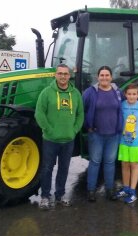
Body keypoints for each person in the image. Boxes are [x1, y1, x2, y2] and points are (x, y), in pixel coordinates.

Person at [35, 64, 84, 210]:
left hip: (68, 140)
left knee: (64, 168)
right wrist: (48, 130)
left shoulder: (75, 94)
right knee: (47, 168)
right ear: (55, 75)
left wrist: (74, 130)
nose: (63, 76)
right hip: (50, 140)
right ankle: (45, 197)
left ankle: (60, 195)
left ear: (69, 76)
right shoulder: (47, 92)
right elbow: (39, 113)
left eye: (66, 74)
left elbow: (80, 114)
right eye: (60, 73)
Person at [83, 65, 123, 202]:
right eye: (102, 75)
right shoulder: (90, 92)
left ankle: (110, 190)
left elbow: (125, 106)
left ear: (111, 77)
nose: (104, 78)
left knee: (110, 162)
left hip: (114, 135)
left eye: (107, 75)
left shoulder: (117, 92)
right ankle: (91, 191)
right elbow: (82, 109)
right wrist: (87, 126)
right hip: (96, 135)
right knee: (95, 162)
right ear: (97, 77)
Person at [115, 83, 138, 204]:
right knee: (124, 164)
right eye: (129, 94)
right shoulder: (122, 105)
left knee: (134, 165)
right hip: (123, 141)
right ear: (125, 95)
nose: (131, 96)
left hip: (136, 142)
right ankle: (125, 188)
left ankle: (133, 191)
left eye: (134, 94)